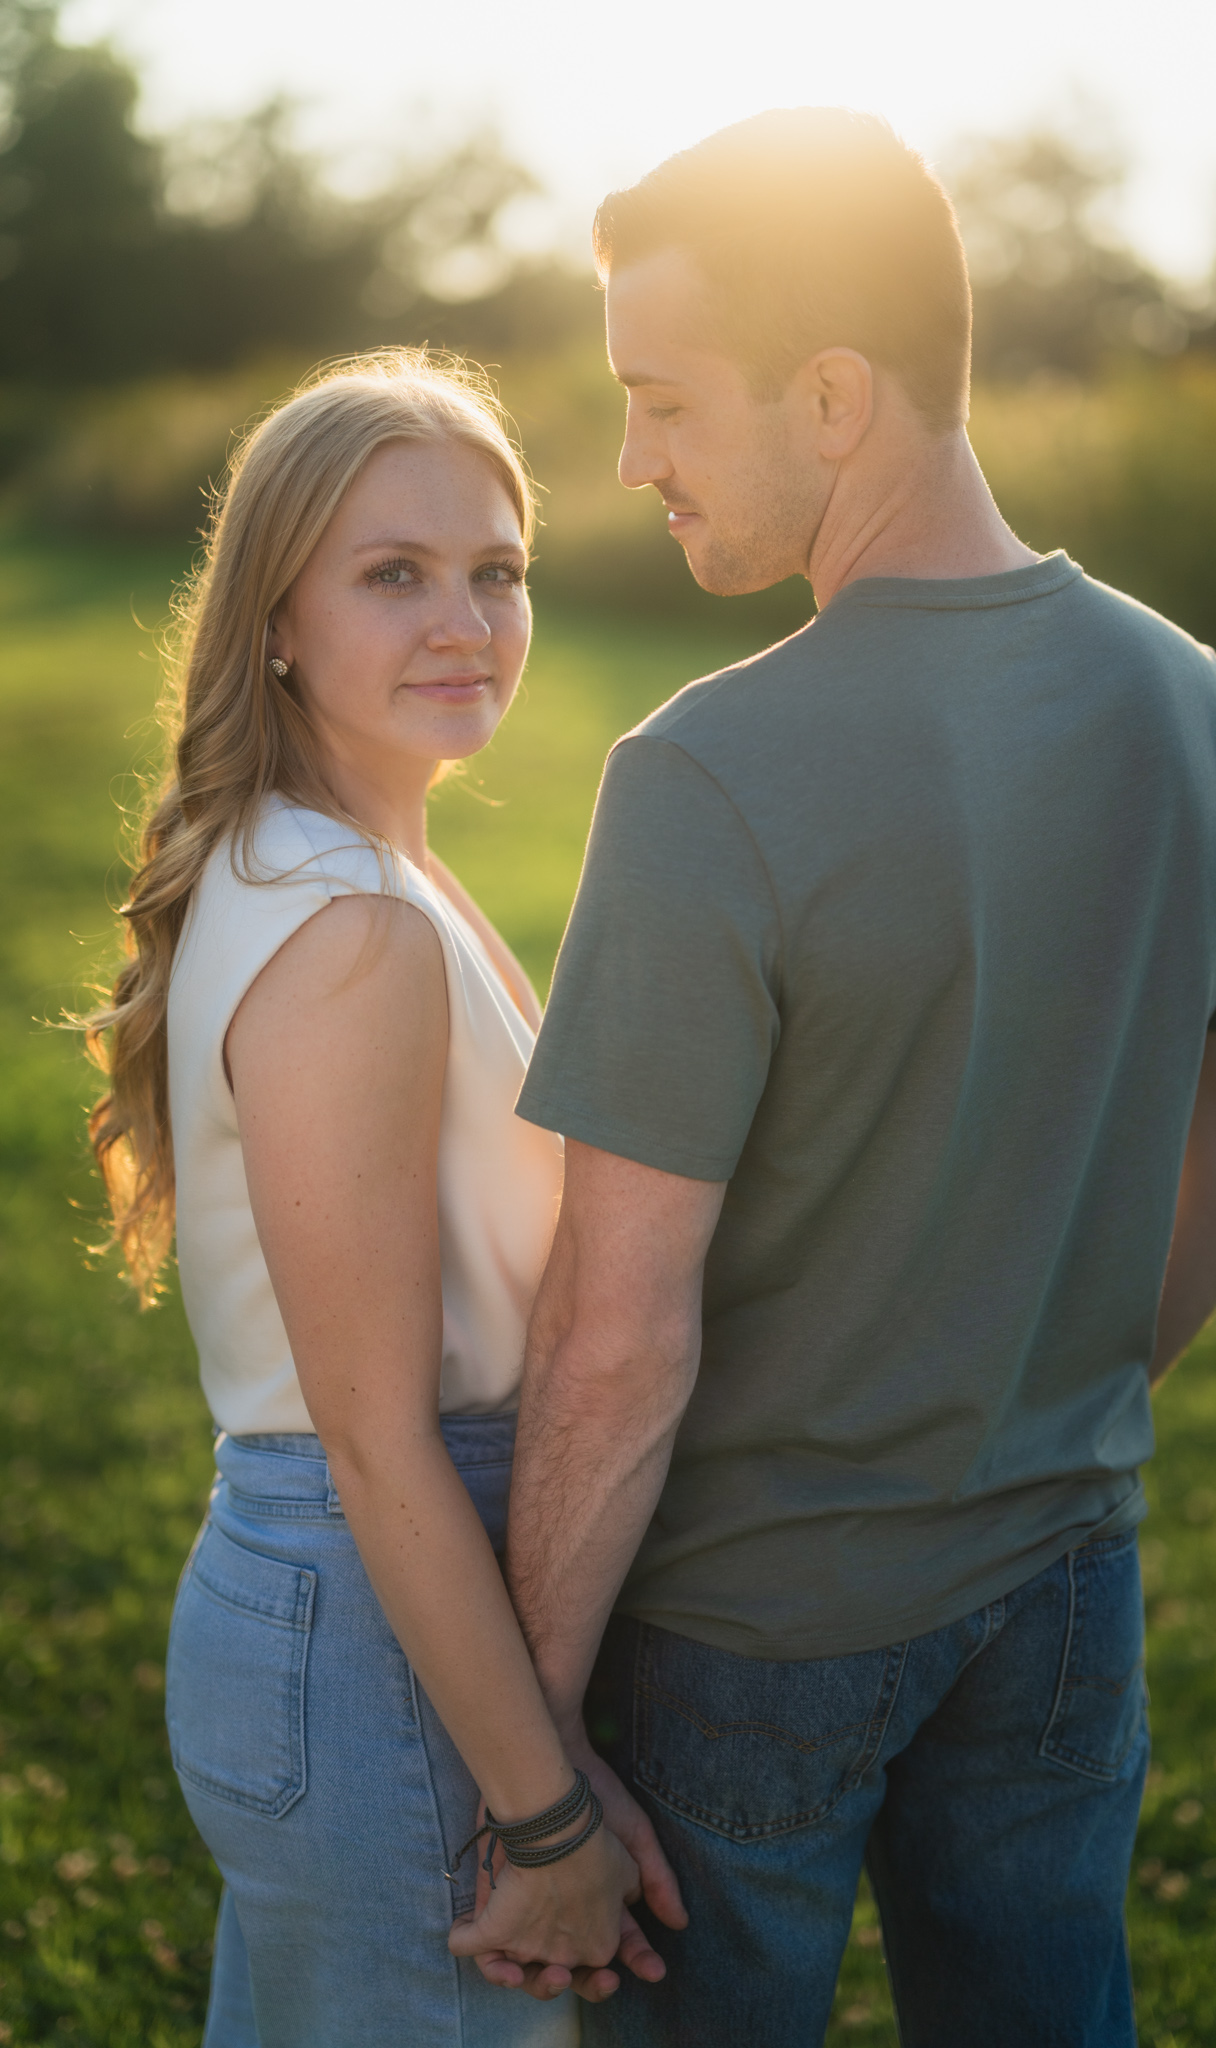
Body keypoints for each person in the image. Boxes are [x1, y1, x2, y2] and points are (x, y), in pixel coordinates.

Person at [502, 110, 1216, 2047]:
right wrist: (1033, 1404)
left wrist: (518, 1770)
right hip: (1063, 1579)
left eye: (661, 398)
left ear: (833, 396)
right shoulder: (1195, 703)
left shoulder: (701, 776)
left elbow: (614, 1336)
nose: (627, 459)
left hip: (742, 1640)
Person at [80, 350, 685, 2047]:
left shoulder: (359, 863)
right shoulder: (347, 922)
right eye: (393, 573)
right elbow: (373, 1439)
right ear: (274, 615)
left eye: (498, 572)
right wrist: (546, 1812)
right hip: (376, 1613)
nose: (466, 621)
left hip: (381, 1603)